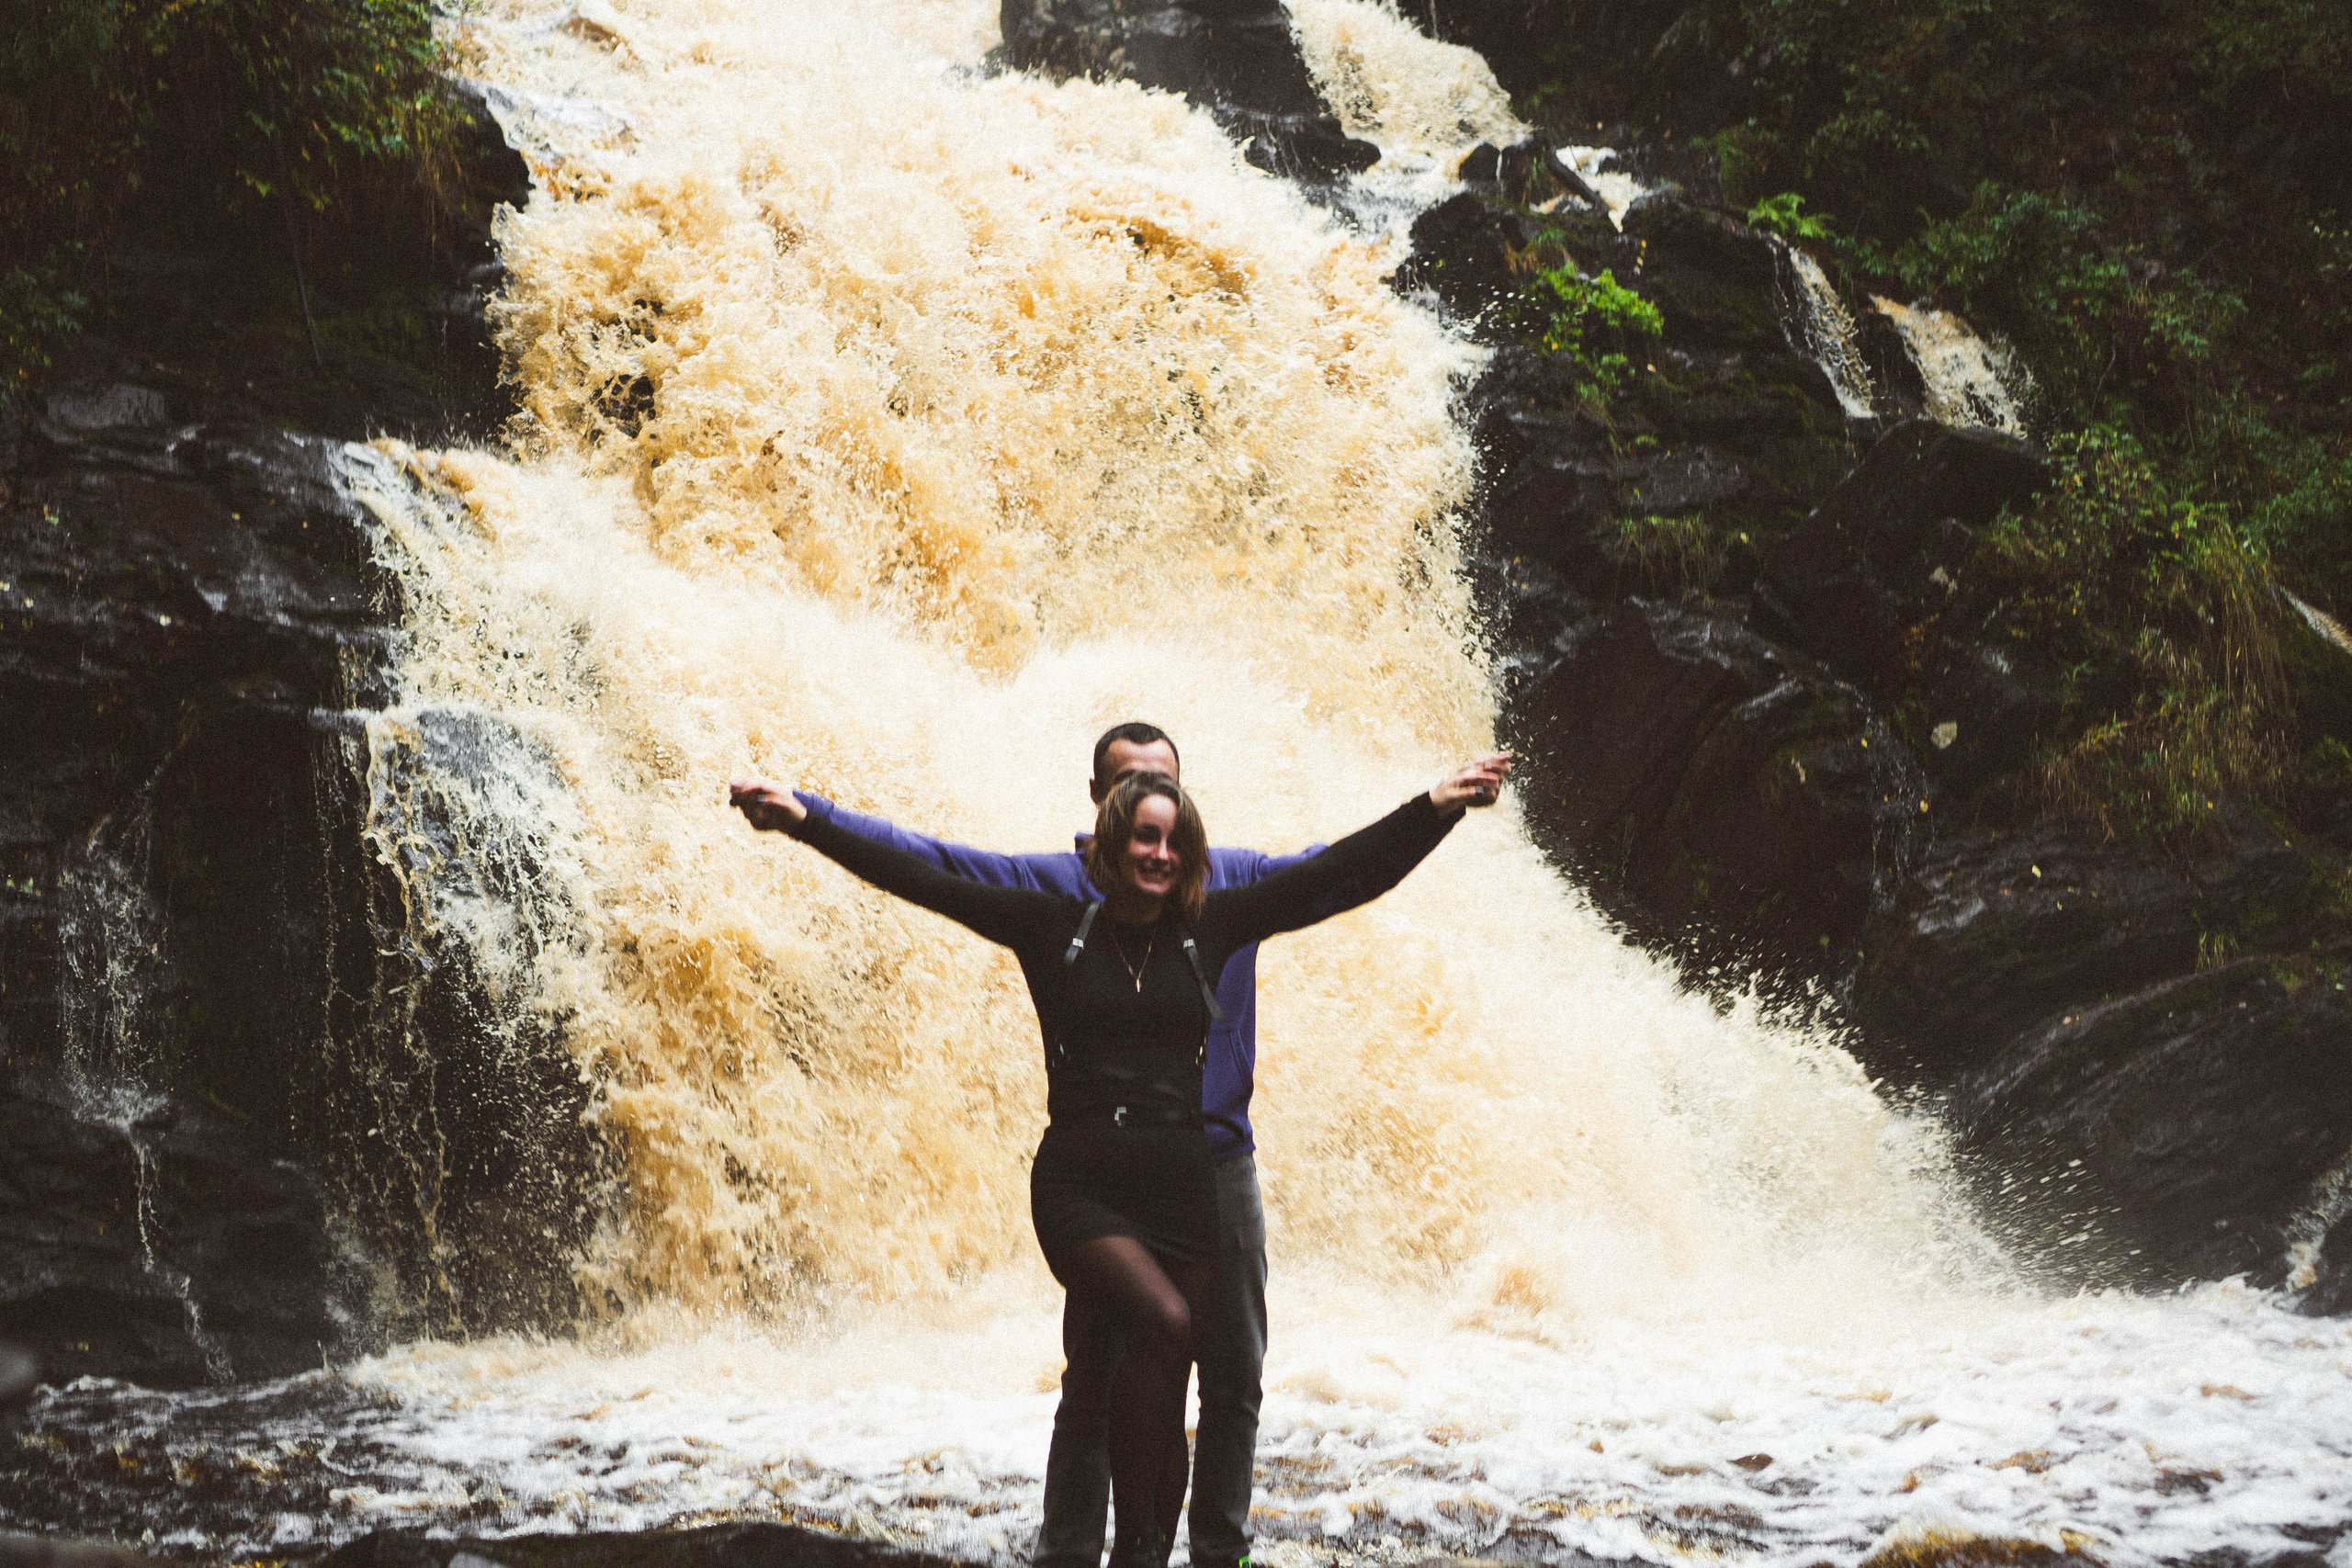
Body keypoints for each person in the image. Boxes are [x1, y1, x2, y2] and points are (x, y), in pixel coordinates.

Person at [729, 746, 1510, 1568]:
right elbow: (924, 873)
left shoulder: (1214, 924)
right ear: (1110, 839)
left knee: (1165, 1374)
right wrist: (807, 821)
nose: (1161, 855)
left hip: (1182, 1190)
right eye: (1145, 837)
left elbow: (1340, 874)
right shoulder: (1048, 923)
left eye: (1175, 841)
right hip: (1082, 1187)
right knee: (1164, 1323)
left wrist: (1435, 806)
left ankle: (1142, 1555)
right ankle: (1083, 1550)